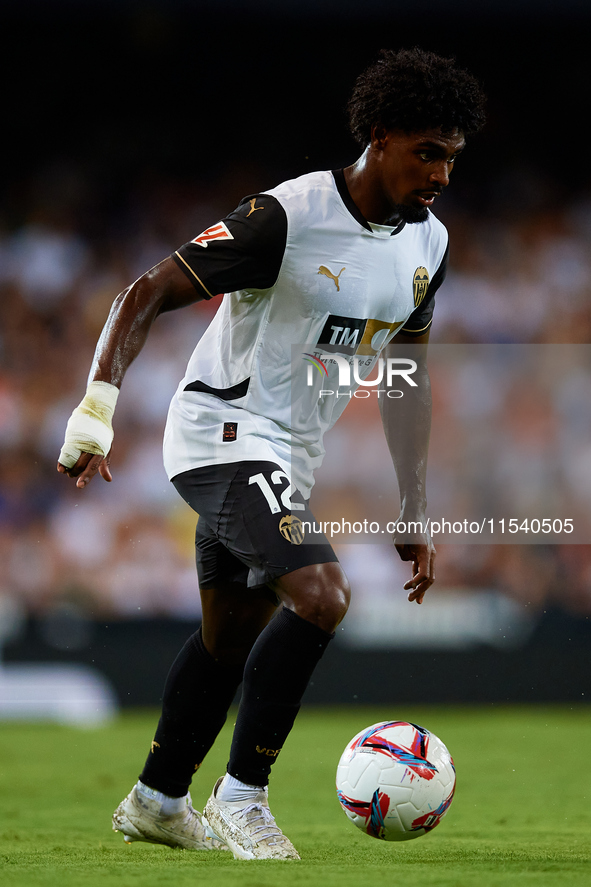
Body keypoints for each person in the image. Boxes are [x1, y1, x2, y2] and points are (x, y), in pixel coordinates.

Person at [57, 47, 485, 860]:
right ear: (380, 136)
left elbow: (405, 377)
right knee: (321, 595)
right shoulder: (287, 216)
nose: (440, 174)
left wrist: (414, 503)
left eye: (452, 158)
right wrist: (95, 410)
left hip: (287, 453)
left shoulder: (428, 246)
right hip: (219, 433)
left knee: (229, 635)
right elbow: (146, 290)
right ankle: (241, 796)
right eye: (426, 152)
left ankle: (156, 797)